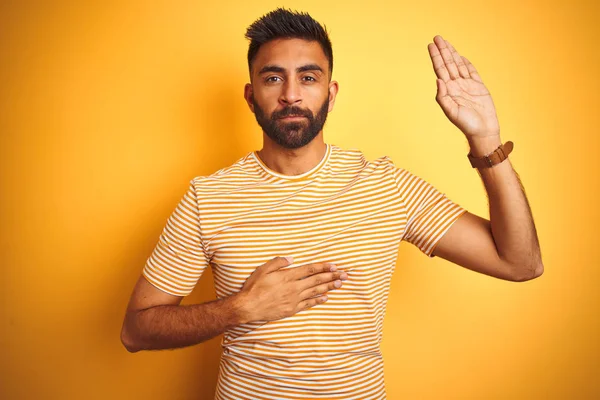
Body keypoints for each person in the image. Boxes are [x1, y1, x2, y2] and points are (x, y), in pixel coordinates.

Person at [120, 7, 544, 399]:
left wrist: (485, 140)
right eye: (273, 78)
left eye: (308, 77)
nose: (291, 94)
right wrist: (240, 309)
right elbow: (137, 330)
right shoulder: (207, 198)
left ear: (331, 91)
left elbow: (520, 264)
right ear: (251, 97)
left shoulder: (385, 186)